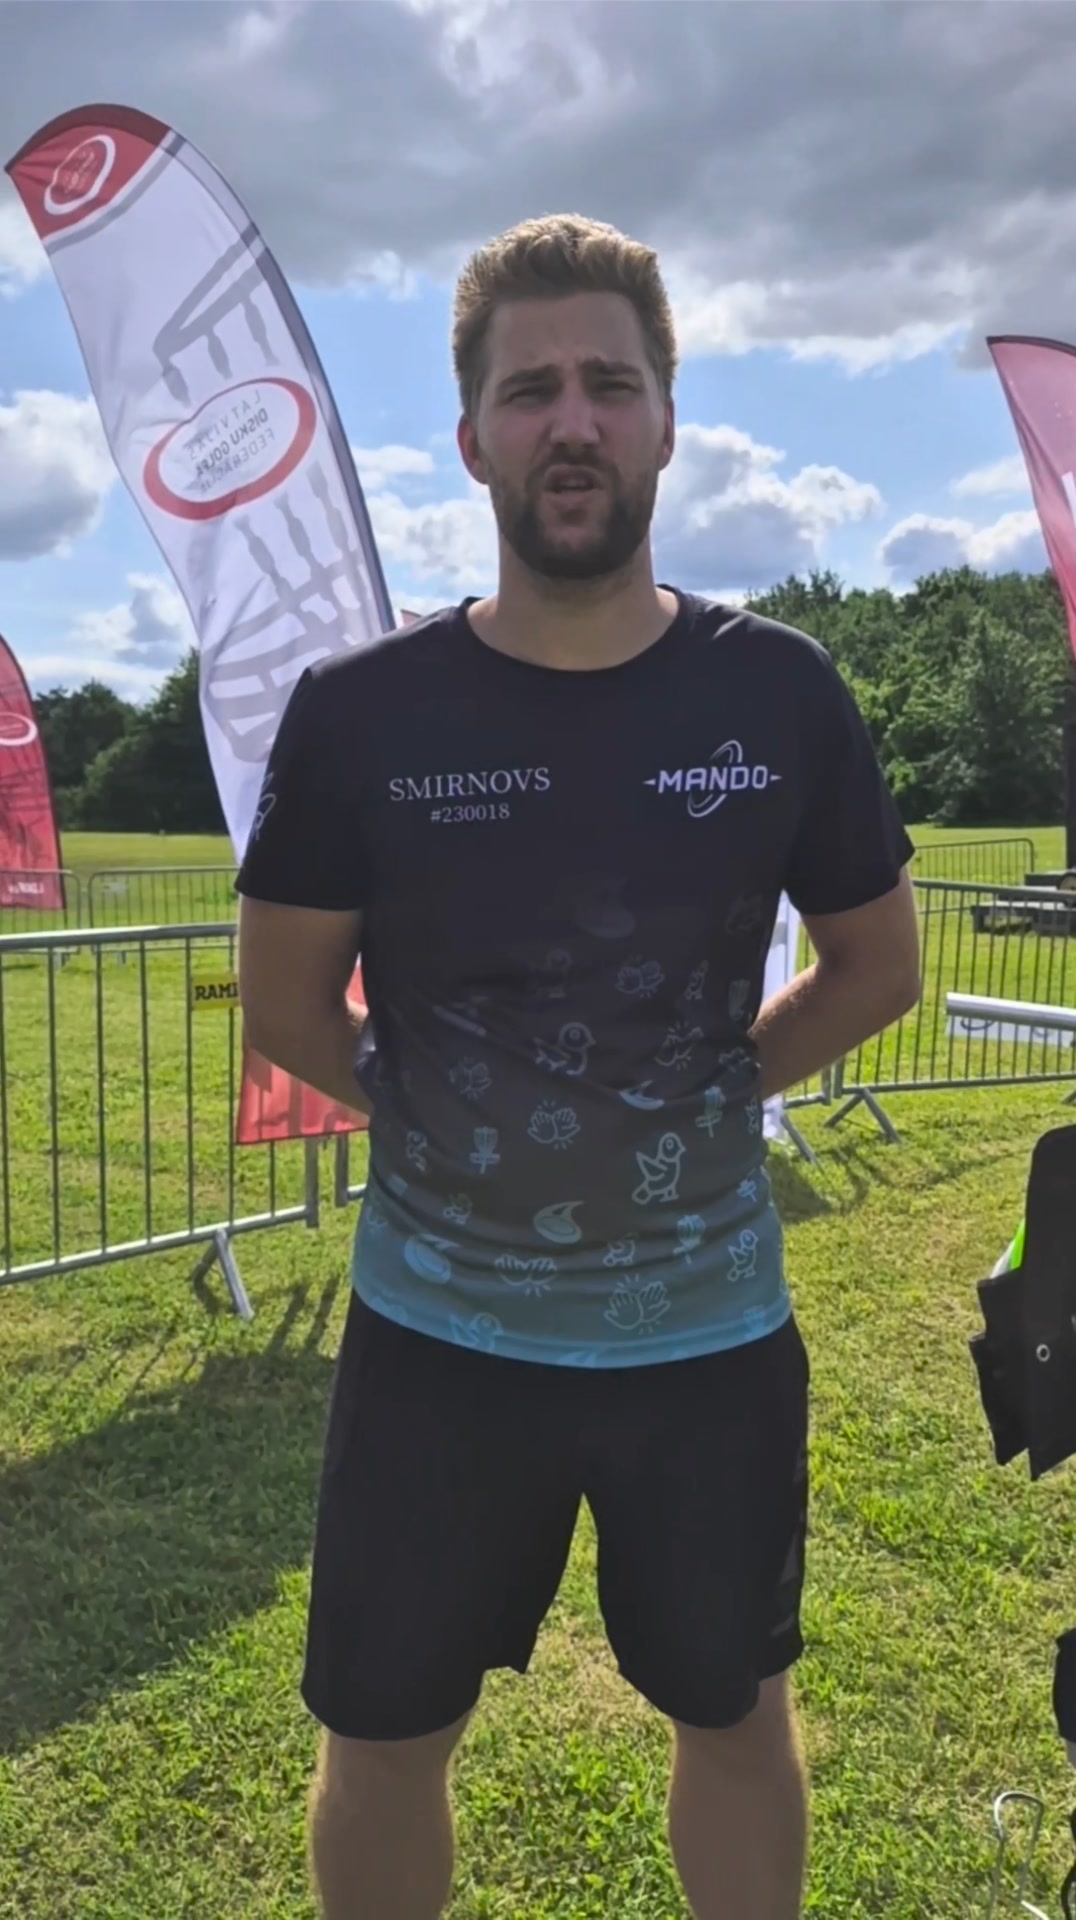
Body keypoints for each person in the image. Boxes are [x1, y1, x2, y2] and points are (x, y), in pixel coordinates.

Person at [236, 212, 922, 1920]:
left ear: (668, 419)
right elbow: (289, 1007)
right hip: (435, 1344)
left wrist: (716, 1092)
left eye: (610, 385)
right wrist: (439, 1118)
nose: (573, 422)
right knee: (384, 1732)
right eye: (529, 389)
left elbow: (880, 967)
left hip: (708, 1344)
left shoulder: (780, 693)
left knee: (734, 1713)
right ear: (471, 435)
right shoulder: (361, 714)